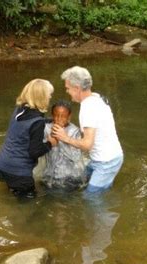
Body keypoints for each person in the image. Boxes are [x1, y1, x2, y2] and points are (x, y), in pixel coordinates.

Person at [52, 66, 123, 195]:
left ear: (77, 88)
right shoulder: (96, 97)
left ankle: (104, 212)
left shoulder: (88, 109)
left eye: (68, 88)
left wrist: (64, 137)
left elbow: (87, 145)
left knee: (90, 198)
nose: (67, 91)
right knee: (79, 181)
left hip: (106, 162)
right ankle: (106, 188)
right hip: (102, 158)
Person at [0, 78, 57, 197]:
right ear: (42, 96)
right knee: (28, 207)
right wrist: (51, 143)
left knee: (13, 194)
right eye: (49, 94)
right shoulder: (37, 122)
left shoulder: (20, 109)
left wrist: (49, 121)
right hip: (19, 173)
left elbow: (27, 125)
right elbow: (35, 152)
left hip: (2, 165)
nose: (50, 97)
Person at [42, 100, 86, 191]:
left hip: (70, 177)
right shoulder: (46, 128)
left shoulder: (74, 131)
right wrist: (48, 142)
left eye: (63, 116)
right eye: (56, 115)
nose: (59, 119)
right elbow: (39, 150)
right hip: (50, 175)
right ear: (52, 115)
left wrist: (62, 138)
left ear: (69, 117)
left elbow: (75, 158)